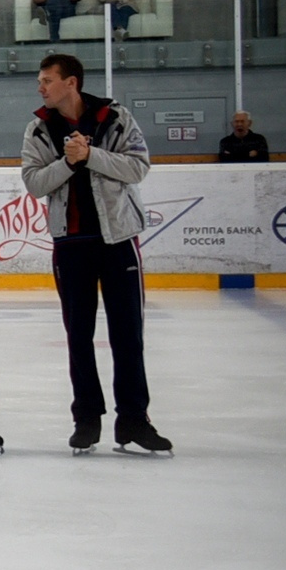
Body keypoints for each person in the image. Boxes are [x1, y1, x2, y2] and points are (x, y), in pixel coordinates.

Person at [22, 54, 171, 455]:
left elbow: (138, 167)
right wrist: (69, 163)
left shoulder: (114, 117)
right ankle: (86, 419)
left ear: (70, 82)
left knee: (128, 336)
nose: (41, 87)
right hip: (70, 245)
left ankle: (134, 420)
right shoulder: (39, 128)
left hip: (118, 239)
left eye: (47, 80)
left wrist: (91, 156)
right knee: (79, 337)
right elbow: (34, 183)